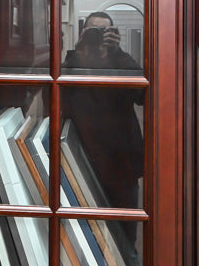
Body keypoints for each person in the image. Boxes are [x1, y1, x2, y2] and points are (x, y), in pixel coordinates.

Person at [61, 12, 145, 212]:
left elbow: (142, 95)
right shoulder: (76, 64)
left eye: (104, 31)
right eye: (93, 31)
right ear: (83, 33)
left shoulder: (120, 63)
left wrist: (117, 53)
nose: (97, 36)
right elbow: (56, 94)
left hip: (121, 163)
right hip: (82, 159)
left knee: (125, 227)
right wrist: (78, 50)